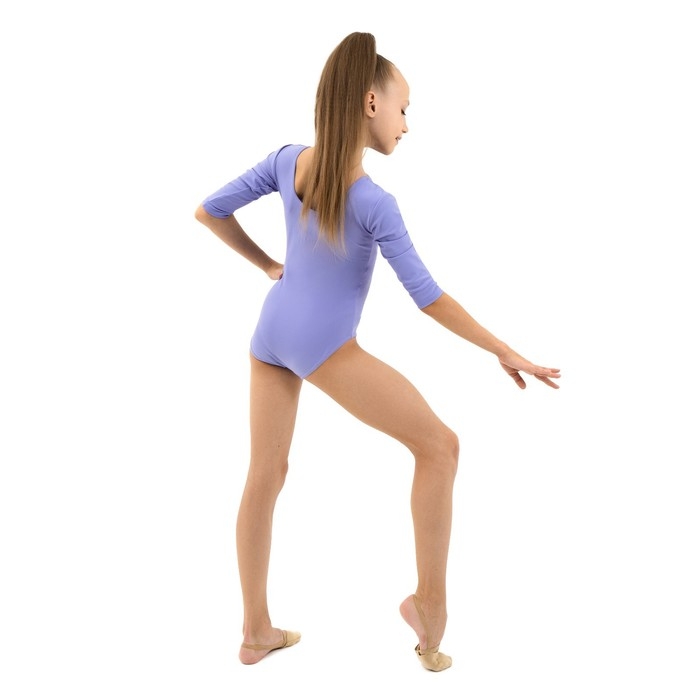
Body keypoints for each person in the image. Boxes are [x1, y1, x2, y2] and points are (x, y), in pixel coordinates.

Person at [194, 31, 561, 672]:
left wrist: (269, 267)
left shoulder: (287, 161)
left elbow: (210, 210)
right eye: (404, 107)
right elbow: (429, 298)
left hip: (271, 335)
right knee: (440, 447)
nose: (407, 123)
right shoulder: (373, 202)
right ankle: (429, 607)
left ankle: (255, 631)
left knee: (265, 474)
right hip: (322, 348)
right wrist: (505, 350)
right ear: (370, 102)